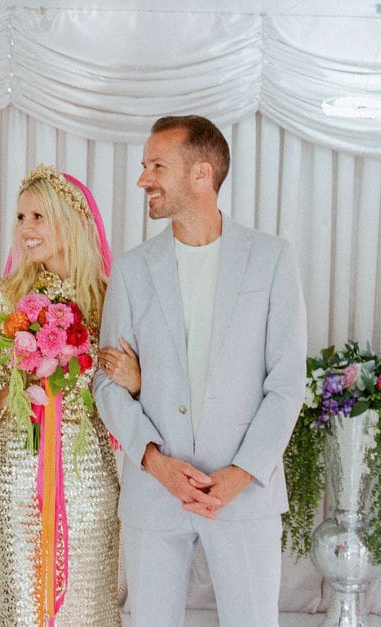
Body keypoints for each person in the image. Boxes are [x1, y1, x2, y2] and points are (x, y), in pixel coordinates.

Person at [93, 115, 307, 626]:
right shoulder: (130, 269)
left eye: (156, 165)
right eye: (145, 165)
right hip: (155, 488)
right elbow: (105, 382)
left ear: (201, 174)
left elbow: (285, 386)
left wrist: (241, 474)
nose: (144, 178)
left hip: (243, 489)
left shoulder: (273, 260)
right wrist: (154, 461)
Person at [0, 164, 136, 626]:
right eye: (20, 218)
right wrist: (20, 379)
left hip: (88, 474)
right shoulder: (1, 296)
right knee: (22, 603)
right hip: (18, 472)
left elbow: (134, 387)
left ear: (70, 220)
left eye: (38, 216)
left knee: (89, 602)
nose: (26, 229)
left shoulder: (109, 299)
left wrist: (136, 381)